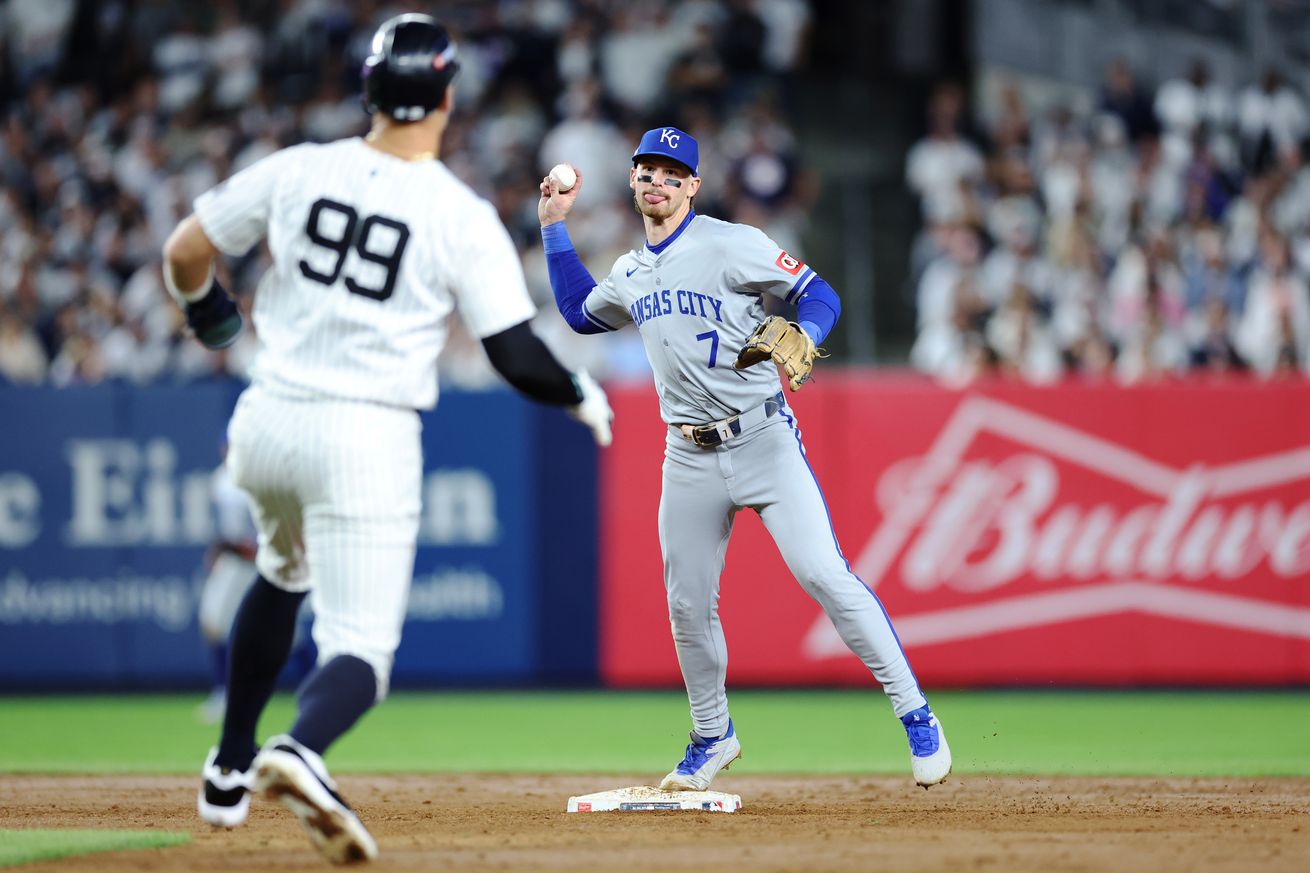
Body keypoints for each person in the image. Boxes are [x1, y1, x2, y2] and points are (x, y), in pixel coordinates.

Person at [162, 14, 613, 864]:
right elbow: (514, 352)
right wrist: (580, 391)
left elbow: (186, 251)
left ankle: (225, 769)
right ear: (446, 99)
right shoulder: (455, 210)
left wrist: (213, 320)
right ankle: (297, 751)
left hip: (265, 421)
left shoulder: (301, 168)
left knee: (279, 569)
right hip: (363, 432)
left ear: (368, 91)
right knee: (361, 652)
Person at [538, 127, 952, 792]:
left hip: (763, 438)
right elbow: (580, 315)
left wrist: (806, 332)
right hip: (689, 452)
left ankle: (916, 712)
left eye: (673, 172)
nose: (658, 181)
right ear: (635, 179)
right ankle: (712, 735)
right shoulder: (630, 271)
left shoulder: (732, 244)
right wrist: (554, 226)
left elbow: (821, 296)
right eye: (648, 169)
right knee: (686, 602)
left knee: (825, 574)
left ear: (693, 185)